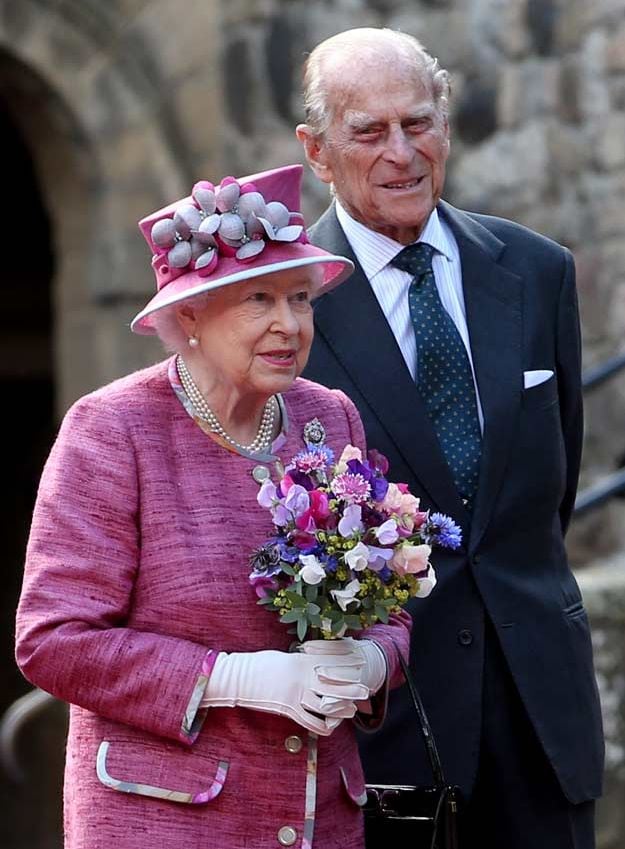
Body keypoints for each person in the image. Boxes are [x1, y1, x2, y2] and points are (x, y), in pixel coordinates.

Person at [14, 163, 411, 849]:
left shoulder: (329, 418)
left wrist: (372, 662)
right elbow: (54, 639)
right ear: (189, 314)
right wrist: (233, 677)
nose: (289, 324)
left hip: (320, 816)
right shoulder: (112, 429)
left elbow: (389, 601)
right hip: (163, 819)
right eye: (259, 298)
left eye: (300, 298)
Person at [296, 27, 604, 849]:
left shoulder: (536, 271)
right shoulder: (286, 308)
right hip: (385, 737)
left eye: (419, 122)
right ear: (317, 153)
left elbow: (552, 486)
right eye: (368, 132)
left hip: (544, 724)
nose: (402, 152)